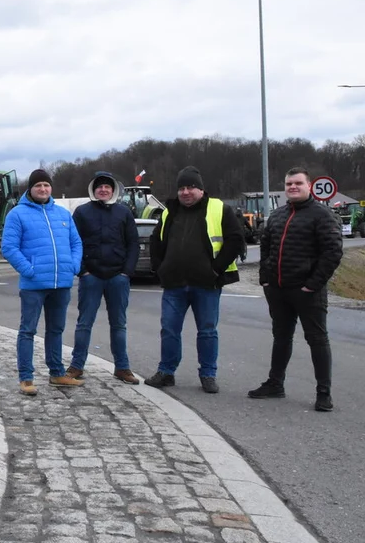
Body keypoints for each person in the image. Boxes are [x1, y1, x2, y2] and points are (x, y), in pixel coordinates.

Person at [144, 166, 245, 394]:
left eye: (191, 187)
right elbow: (156, 241)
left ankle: (208, 374)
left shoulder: (219, 209)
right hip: (174, 284)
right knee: (169, 330)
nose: (186, 192)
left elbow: (235, 240)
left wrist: (216, 269)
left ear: (201, 189)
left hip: (207, 283)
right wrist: (160, 268)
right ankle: (166, 372)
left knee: (207, 331)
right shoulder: (170, 211)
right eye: (181, 188)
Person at [249, 167, 343, 411]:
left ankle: (324, 393)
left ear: (308, 186)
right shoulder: (278, 215)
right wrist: (265, 280)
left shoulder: (322, 215)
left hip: (308, 291)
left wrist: (312, 285)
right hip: (278, 290)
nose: (293, 187)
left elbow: (332, 253)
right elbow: (266, 247)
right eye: (289, 183)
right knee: (281, 337)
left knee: (317, 340)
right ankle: (275, 383)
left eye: (298, 183)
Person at [0, 168, 84, 396]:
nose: (43, 189)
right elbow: (8, 247)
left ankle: (57, 373)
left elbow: (76, 243)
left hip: (61, 283)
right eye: (38, 185)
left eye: (46, 185)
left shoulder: (62, 214)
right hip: (33, 285)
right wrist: (29, 270)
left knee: (56, 330)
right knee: (27, 330)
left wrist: (73, 265)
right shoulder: (17, 214)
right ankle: (26, 377)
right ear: (31, 188)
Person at [68, 171, 140, 384]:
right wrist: (83, 272)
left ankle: (122, 367)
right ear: (93, 189)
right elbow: (73, 242)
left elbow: (133, 244)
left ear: (113, 190)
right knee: (84, 324)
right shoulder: (82, 212)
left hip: (118, 277)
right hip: (91, 278)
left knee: (119, 325)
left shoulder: (124, 213)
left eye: (107, 187)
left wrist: (126, 272)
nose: (103, 190)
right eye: (99, 186)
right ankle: (76, 366)